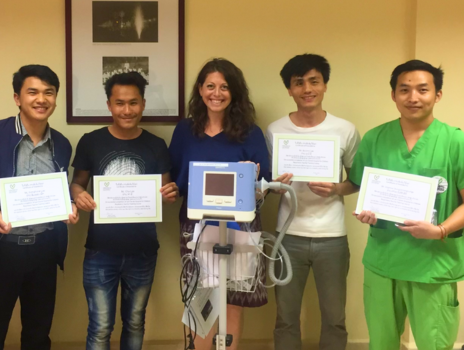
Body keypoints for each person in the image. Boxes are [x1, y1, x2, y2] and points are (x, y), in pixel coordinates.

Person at [0, 64, 78, 350]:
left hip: (44, 250)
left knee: (38, 336)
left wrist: (70, 205)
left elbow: (60, 189)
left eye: (49, 93)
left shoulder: (61, 144)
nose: (42, 99)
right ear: (17, 98)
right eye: (33, 92)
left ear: (55, 98)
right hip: (1, 250)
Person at [351, 60, 464, 350]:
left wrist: (440, 230)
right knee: (382, 343)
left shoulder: (456, 142)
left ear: (437, 95)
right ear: (393, 95)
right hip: (383, 261)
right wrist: (364, 211)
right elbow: (363, 189)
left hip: (432, 264)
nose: (413, 97)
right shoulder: (375, 138)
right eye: (404, 90)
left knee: (434, 343)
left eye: (422, 90)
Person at [71, 72, 178, 350]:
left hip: (142, 251)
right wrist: (79, 195)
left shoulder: (156, 145)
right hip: (99, 251)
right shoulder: (91, 141)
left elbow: (166, 190)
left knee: (134, 323)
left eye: (133, 103)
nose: (127, 110)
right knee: (100, 327)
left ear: (143, 104)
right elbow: (76, 184)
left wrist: (170, 193)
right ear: (109, 105)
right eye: (120, 103)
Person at [168, 58, 270, 350]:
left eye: (224, 87)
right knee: (198, 297)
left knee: (233, 299)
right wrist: (169, 189)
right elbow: (175, 177)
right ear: (200, 90)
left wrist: (259, 183)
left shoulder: (250, 132)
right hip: (196, 226)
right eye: (210, 86)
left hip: (240, 226)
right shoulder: (185, 131)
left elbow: (266, 184)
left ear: (234, 92)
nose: (217, 93)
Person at [265, 54, 360, 350]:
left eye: (314, 81)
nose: (307, 88)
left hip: (332, 237)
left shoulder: (345, 129)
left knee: (334, 317)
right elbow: (266, 182)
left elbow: (356, 181)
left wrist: (335, 189)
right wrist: (275, 188)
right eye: (299, 83)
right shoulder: (274, 130)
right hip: (287, 235)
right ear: (290, 90)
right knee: (285, 317)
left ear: (325, 86)